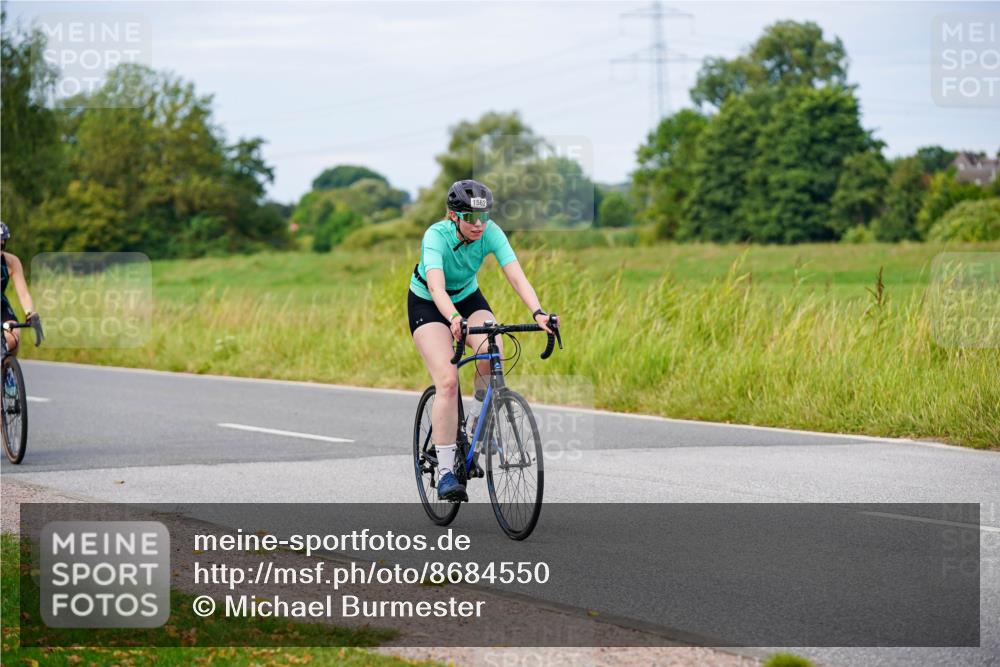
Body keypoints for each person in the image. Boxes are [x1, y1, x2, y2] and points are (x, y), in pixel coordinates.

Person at [408, 180, 554, 501]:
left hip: (468, 297)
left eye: (483, 217)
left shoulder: (490, 231)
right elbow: (436, 288)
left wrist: (538, 312)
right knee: (447, 381)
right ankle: (446, 472)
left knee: (493, 351)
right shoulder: (436, 236)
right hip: (429, 303)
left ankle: (474, 426)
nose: (478, 225)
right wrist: (453, 319)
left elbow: (516, 274)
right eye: (470, 218)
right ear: (453, 215)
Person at [2, 223, 38, 394]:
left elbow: (23, 294)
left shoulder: (11, 261)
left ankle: (7, 369)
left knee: (13, 334)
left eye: (2, 243)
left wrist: (30, 313)